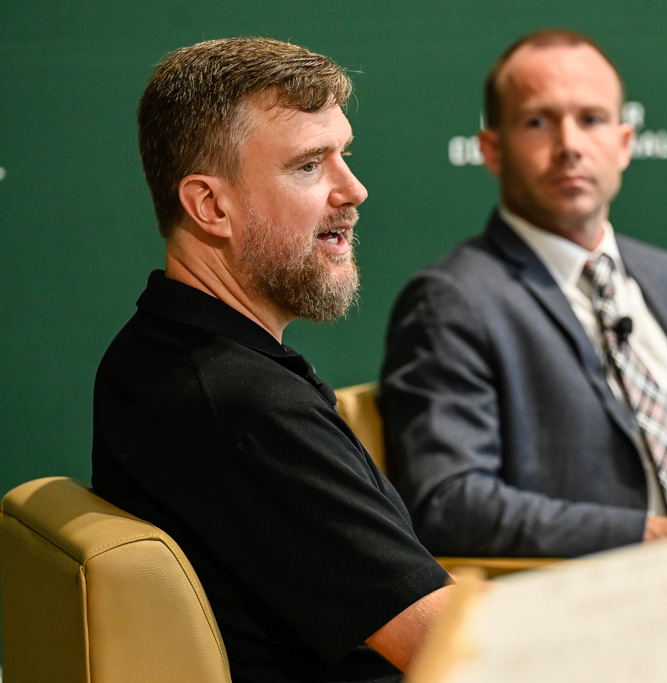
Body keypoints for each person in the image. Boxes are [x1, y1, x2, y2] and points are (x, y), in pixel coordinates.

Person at [379, 29, 667, 559]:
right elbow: (451, 502)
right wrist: (653, 535)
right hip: (615, 585)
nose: (570, 146)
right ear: (492, 150)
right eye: (538, 122)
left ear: (624, 144)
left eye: (592, 119)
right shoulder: (454, 301)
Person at [91, 37, 452, 683]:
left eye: (344, 155)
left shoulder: (148, 347)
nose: (355, 190)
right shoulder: (252, 413)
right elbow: (460, 652)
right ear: (210, 206)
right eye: (309, 166)